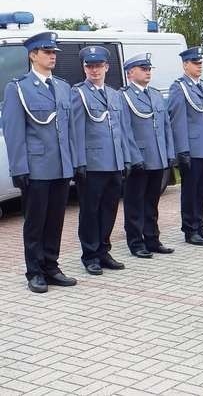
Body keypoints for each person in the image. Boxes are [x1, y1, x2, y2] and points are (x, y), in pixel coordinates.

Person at [2, 31, 78, 293]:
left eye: (54, 52)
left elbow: (68, 131)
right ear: (33, 55)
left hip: (59, 166)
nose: (52, 56)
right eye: (47, 52)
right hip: (36, 168)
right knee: (35, 222)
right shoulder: (18, 88)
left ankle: (51, 266)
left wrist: (73, 163)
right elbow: (14, 132)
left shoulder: (63, 87)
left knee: (56, 219)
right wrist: (19, 167)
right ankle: (34, 271)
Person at [71, 46, 128, 275]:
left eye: (98, 66)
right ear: (84, 68)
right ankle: (90, 255)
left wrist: (126, 159)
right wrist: (79, 162)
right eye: (89, 66)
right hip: (92, 163)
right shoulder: (78, 93)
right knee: (90, 211)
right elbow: (76, 130)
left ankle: (104, 250)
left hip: (114, 162)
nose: (94, 70)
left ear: (107, 67)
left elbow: (121, 130)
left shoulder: (114, 95)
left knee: (109, 209)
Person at [121, 53, 176, 258]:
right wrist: (134, 158)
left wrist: (169, 153)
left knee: (152, 203)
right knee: (135, 203)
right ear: (130, 73)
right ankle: (136, 243)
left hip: (158, 157)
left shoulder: (154, 94)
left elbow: (166, 127)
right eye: (143, 69)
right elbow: (125, 131)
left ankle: (152, 239)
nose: (148, 72)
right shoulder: (124, 96)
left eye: (149, 69)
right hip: (140, 159)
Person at [168, 46, 203, 246]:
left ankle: (200, 224)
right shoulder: (179, 88)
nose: (199, 67)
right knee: (190, 191)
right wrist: (182, 150)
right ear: (185, 65)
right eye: (195, 63)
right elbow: (178, 121)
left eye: (200, 63)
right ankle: (190, 229)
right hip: (192, 149)